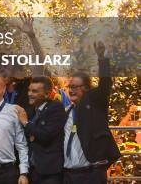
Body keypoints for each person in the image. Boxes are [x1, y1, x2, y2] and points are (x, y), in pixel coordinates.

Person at [62, 42, 120, 184]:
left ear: (87, 88)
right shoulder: (66, 111)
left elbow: (105, 85)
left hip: (91, 175)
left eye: (75, 87)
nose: (71, 90)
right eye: (70, 86)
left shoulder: (95, 104)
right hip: (69, 175)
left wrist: (102, 59)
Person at [16, 76, 66, 184]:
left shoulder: (56, 108)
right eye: (29, 90)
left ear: (47, 94)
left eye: (34, 91)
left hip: (50, 173)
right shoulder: (30, 111)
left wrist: (26, 123)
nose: (29, 94)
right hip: (33, 172)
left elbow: (45, 135)